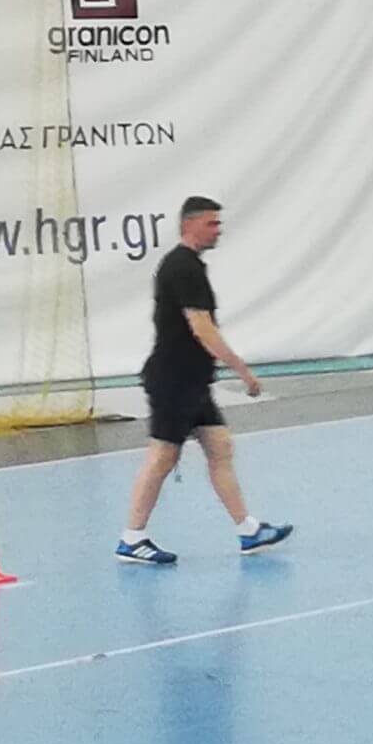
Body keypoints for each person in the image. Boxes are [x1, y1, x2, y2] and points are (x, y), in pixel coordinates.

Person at [115, 197, 292, 565]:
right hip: (173, 381)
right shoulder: (182, 267)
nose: (218, 230)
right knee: (163, 456)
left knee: (220, 447)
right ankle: (132, 538)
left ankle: (248, 530)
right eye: (211, 224)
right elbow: (202, 328)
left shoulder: (192, 266)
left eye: (218, 223)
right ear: (190, 225)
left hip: (193, 381)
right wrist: (241, 369)